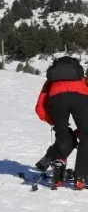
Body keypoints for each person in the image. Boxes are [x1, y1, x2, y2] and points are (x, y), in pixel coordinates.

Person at [34, 56, 88, 189]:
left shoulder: (51, 81)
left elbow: (39, 108)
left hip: (56, 99)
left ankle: (56, 172)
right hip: (80, 98)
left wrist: (55, 123)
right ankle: (81, 178)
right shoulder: (81, 78)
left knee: (63, 137)